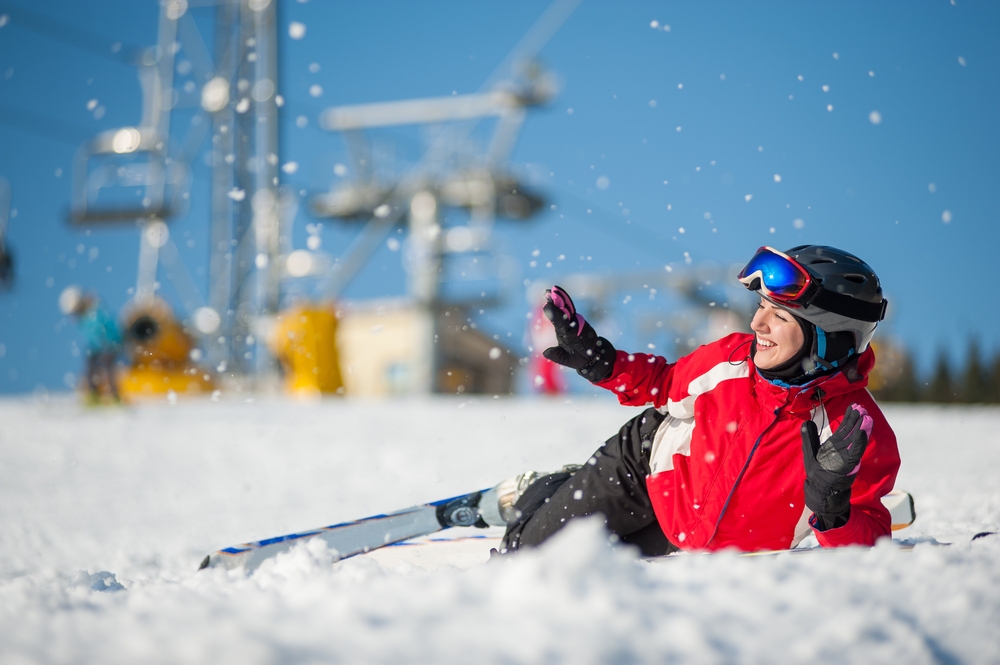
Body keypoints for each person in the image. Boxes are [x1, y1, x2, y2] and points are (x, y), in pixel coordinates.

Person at [481, 244, 899, 555]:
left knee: (596, 572)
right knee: (529, 558)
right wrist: (602, 362)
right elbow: (663, 384)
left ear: (829, 341)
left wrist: (833, 510)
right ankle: (546, 492)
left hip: (688, 539)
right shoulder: (731, 361)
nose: (757, 322)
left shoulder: (857, 431)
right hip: (642, 476)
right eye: (760, 306)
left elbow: (870, 542)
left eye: (779, 315)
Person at [59, 285, 123, 404]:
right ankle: (93, 395)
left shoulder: (94, 311)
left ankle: (115, 397)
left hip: (111, 344)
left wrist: (108, 345)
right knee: (90, 365)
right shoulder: (83, 317)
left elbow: (105, 330)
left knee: (107, 367)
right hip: (99, 347)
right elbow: (93, 337)